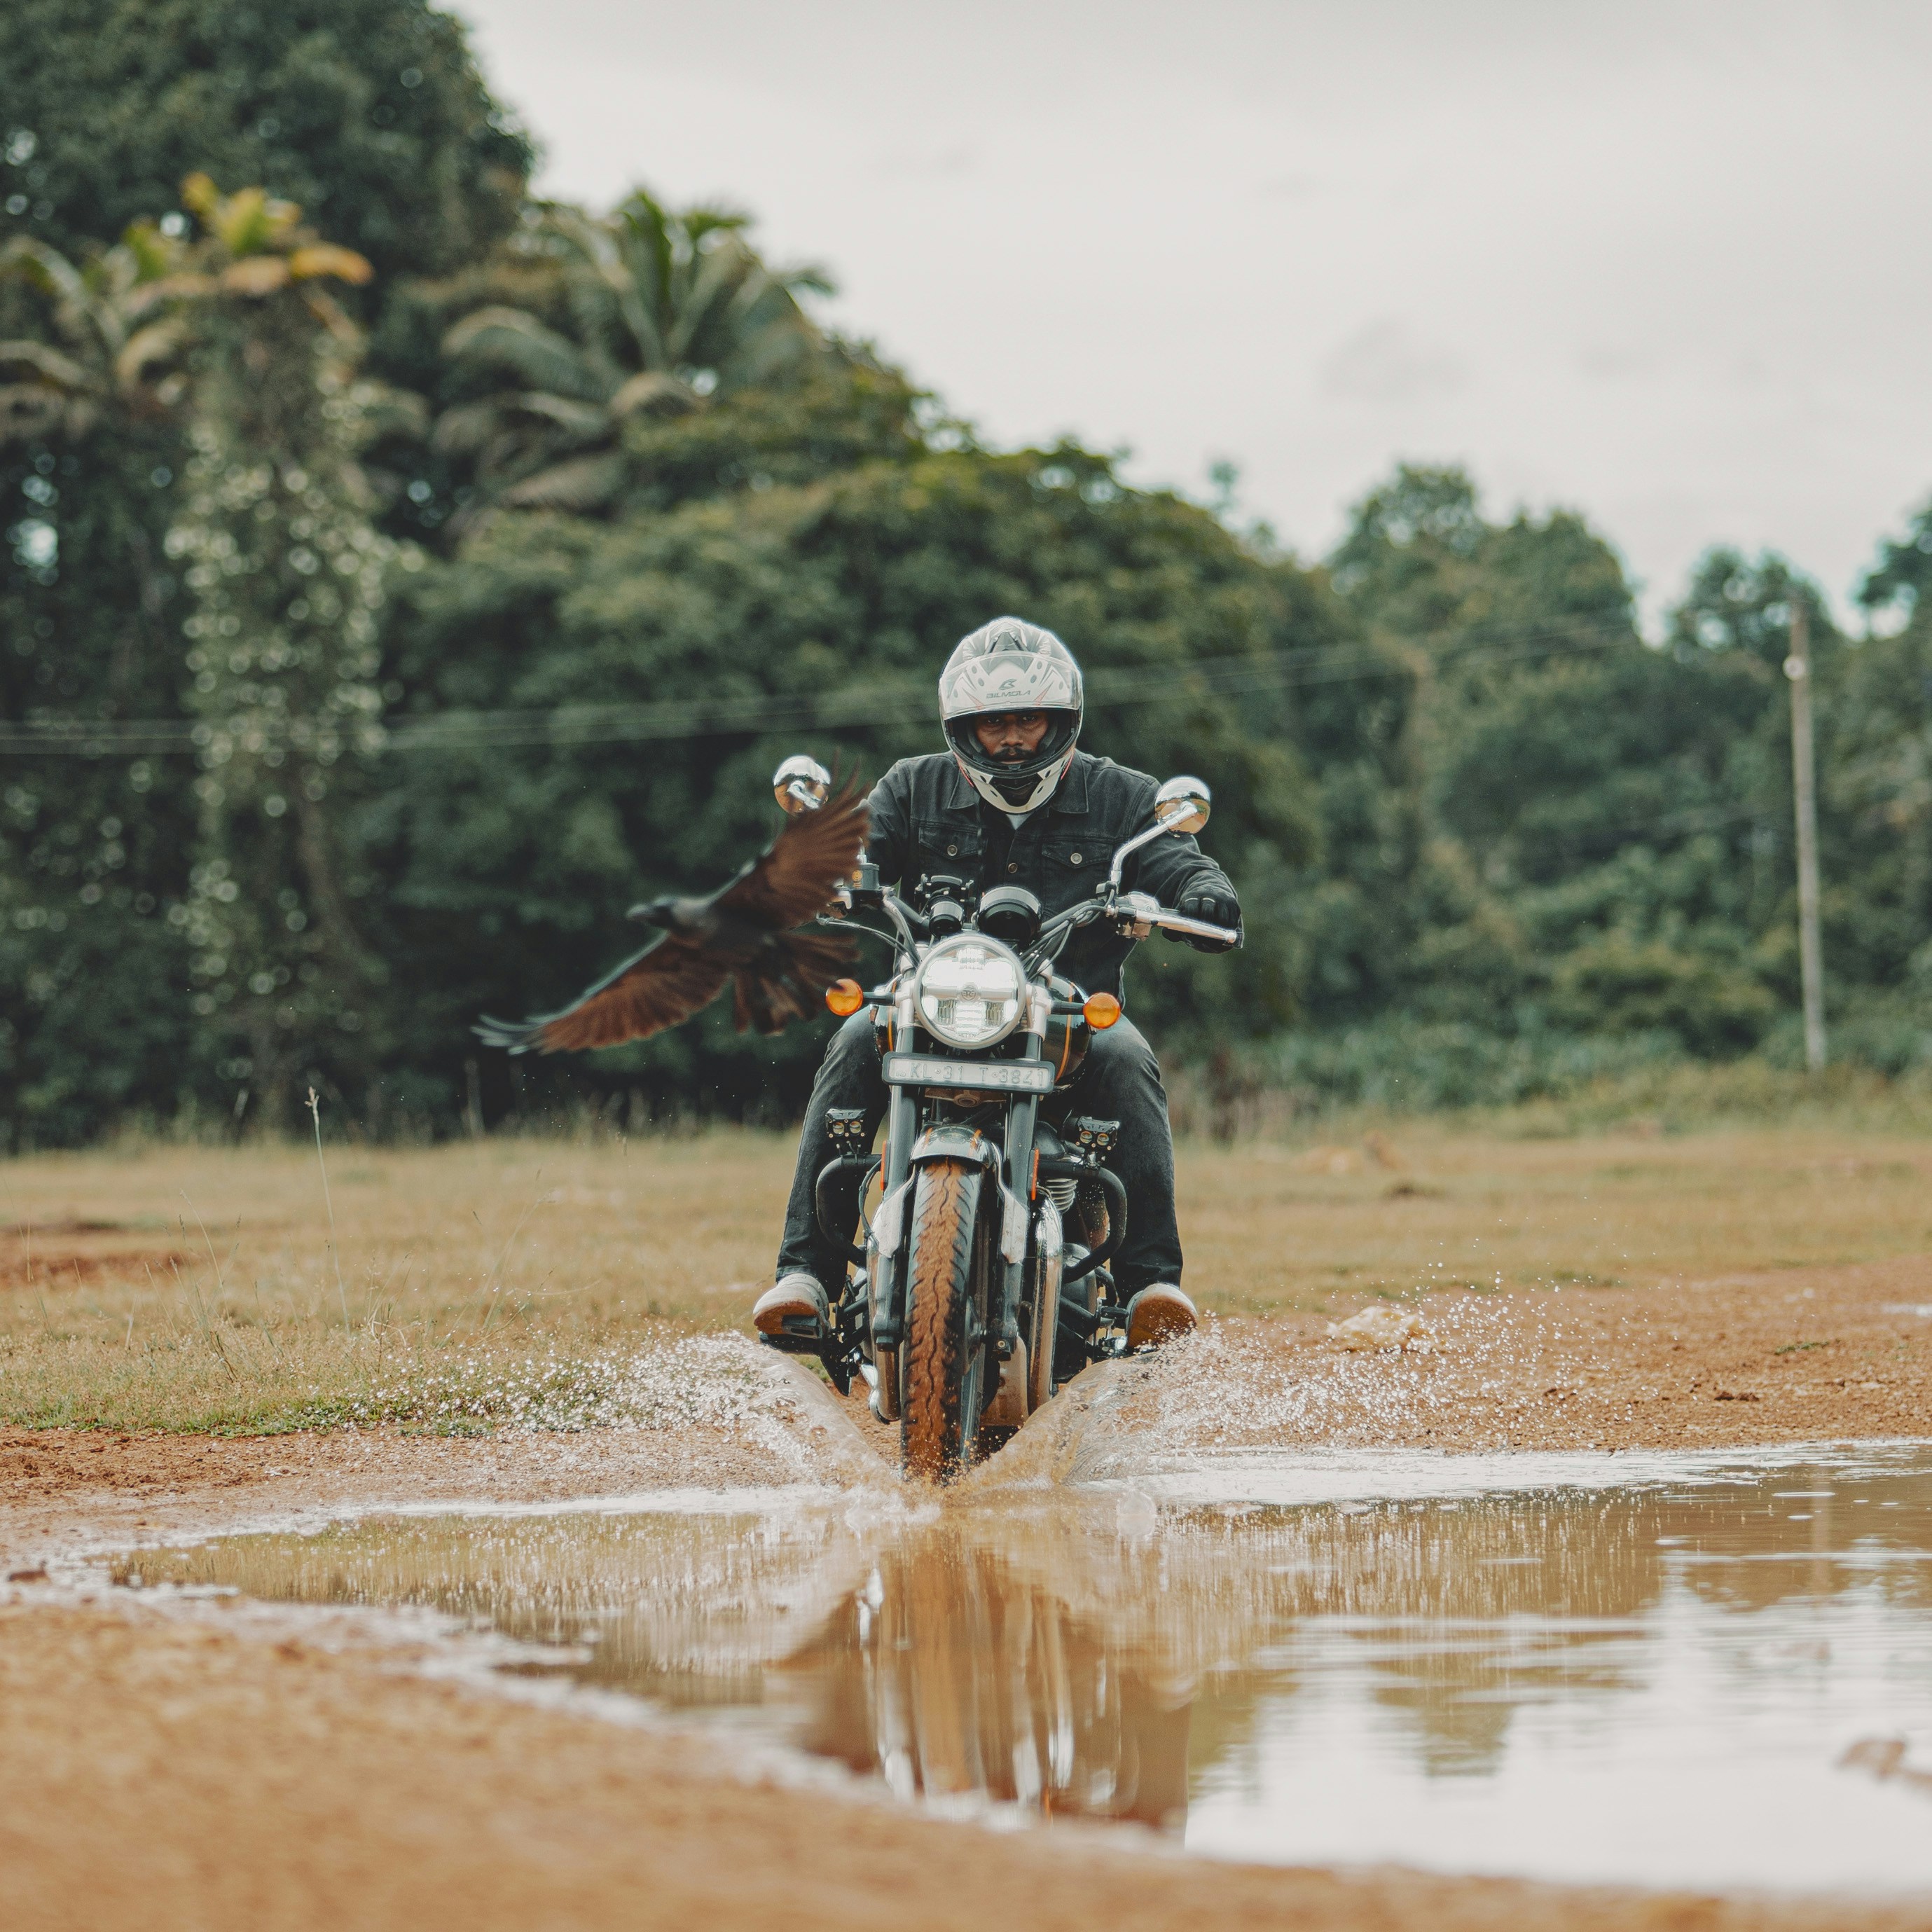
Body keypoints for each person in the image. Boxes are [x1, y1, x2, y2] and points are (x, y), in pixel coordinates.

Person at [752, 616, 1241, 1353]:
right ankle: (806, 1278)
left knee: (1126, 1059)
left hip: (1069, 1018)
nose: (1011, 740)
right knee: (855, 1033)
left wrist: (1201, 892)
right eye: (993, 725)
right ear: (962, 728)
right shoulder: (911, 786)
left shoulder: (1122, 797)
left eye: (1027, 720)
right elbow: (850, 845)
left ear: (1061, 720)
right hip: (932, 1006)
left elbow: (1176, 857)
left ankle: (1149, 1286)